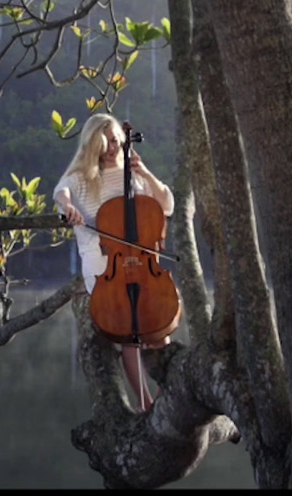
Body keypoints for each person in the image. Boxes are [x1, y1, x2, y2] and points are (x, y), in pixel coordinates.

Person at [52, 112, 175, 412]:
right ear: (93, 144)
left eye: (115, 140)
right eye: (104, 141)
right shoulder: (83, 177)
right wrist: (69, 207)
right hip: (103, 262)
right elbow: (61, 192)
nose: (111, 146)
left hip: (141, 261)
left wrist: (145, 173)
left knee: (159, 328)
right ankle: (145, 403)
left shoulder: (132, 174)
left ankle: (168, 396)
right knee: (129, 332)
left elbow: (167, 205)